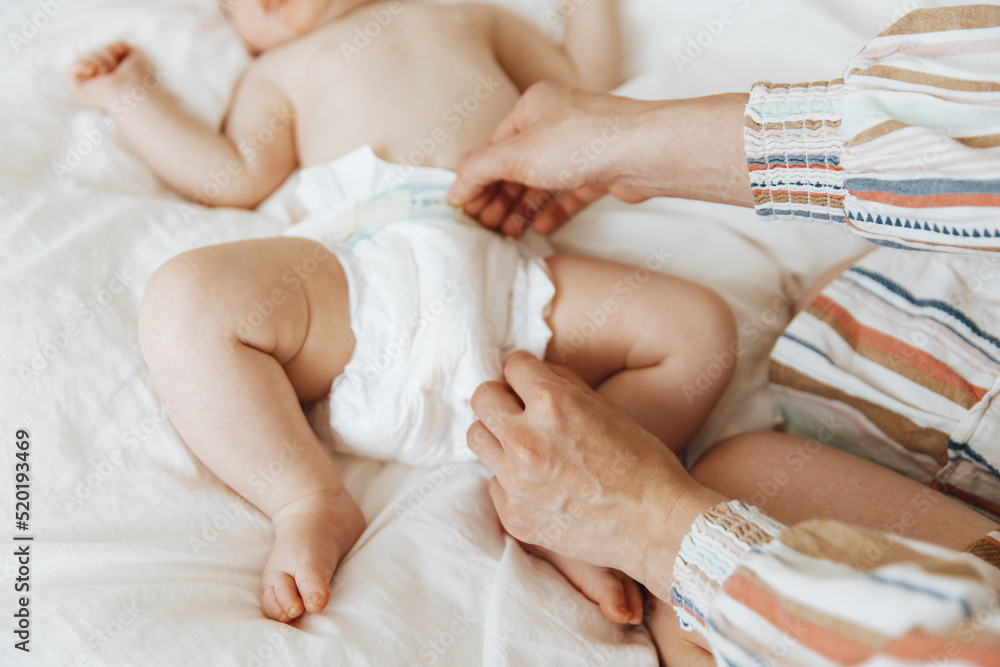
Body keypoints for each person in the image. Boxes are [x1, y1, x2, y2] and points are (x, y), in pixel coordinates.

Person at [69, 0, 745, 627]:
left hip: (510, 277)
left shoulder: (465, 13)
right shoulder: (277, 72)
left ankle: (567, 493)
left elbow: (579, 85)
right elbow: (233, 174)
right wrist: (134, 100)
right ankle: (307, 499)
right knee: (186, 297)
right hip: (361, 283)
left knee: (700, 328)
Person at [452, 5, 1000, 664]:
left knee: (721, 411)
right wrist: (639, 142)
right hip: (894, 295)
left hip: (874, 362)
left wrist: (648, 521)